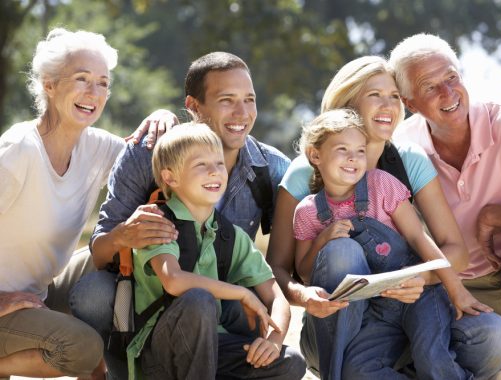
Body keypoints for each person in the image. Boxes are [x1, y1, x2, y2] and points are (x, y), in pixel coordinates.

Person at [266, 55, 501, 379]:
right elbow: (278, 270)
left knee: (493, 338)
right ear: (348, 102)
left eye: (395, 97)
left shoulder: (404, 163)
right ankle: (346, 370)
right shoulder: (305, 174)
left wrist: (418, 279)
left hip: (410, 306)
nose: (389, 106)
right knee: (344, 251)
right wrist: (304, 296)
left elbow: (452, 249)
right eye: (375, 95)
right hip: (343, 330)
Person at [70, 51, 291, 379]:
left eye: (249, 99)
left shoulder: (270, 167)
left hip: (221, 303)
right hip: (149, 302)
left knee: (287, 360)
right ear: (194, 107)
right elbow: (104, 254)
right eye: (227, 100)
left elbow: (280, 276)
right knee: (95, 296)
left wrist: (274, 338)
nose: (241, 113)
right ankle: (113, 369)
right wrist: (125, 234)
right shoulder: (149, 154)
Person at [389, 32, 501, 380]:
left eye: (452, 78)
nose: (448, 93)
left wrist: (500, 216)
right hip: (461, 280)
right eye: (430, 86)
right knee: (495, 353)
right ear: (409, 103)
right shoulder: (403, 149)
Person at [294, 108, 480, 379]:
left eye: (360, 150)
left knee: (432, 359)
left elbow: (418, 237)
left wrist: (455, 288)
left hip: (419, 296)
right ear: (315, 155)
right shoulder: (308, 212)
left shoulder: (381, 184)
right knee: (357, 371)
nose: (353, 158)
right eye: (343, 149)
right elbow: (306, 273)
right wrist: (323, 239)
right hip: (376, 315)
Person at [124, 123, 304, 379]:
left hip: (215, 350)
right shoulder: (157, 224)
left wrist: (273, 341)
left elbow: (277, 298)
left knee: (290, 362)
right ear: (170, 177)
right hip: (161, 355)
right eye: (201, 165)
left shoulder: (231, 235)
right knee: (199, 300)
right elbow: (174, 281)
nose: (214, 173)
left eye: (219, 164)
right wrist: (241, 293)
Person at [0, 28, 126, 379]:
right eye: (82, 79)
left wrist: (163, 115)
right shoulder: (19, 150)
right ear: (49, 84)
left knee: (114, 253)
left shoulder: (98, 147)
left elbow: (150, 159)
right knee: (82, 348)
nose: (93, 92)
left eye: (103, 83)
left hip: (38, 293)